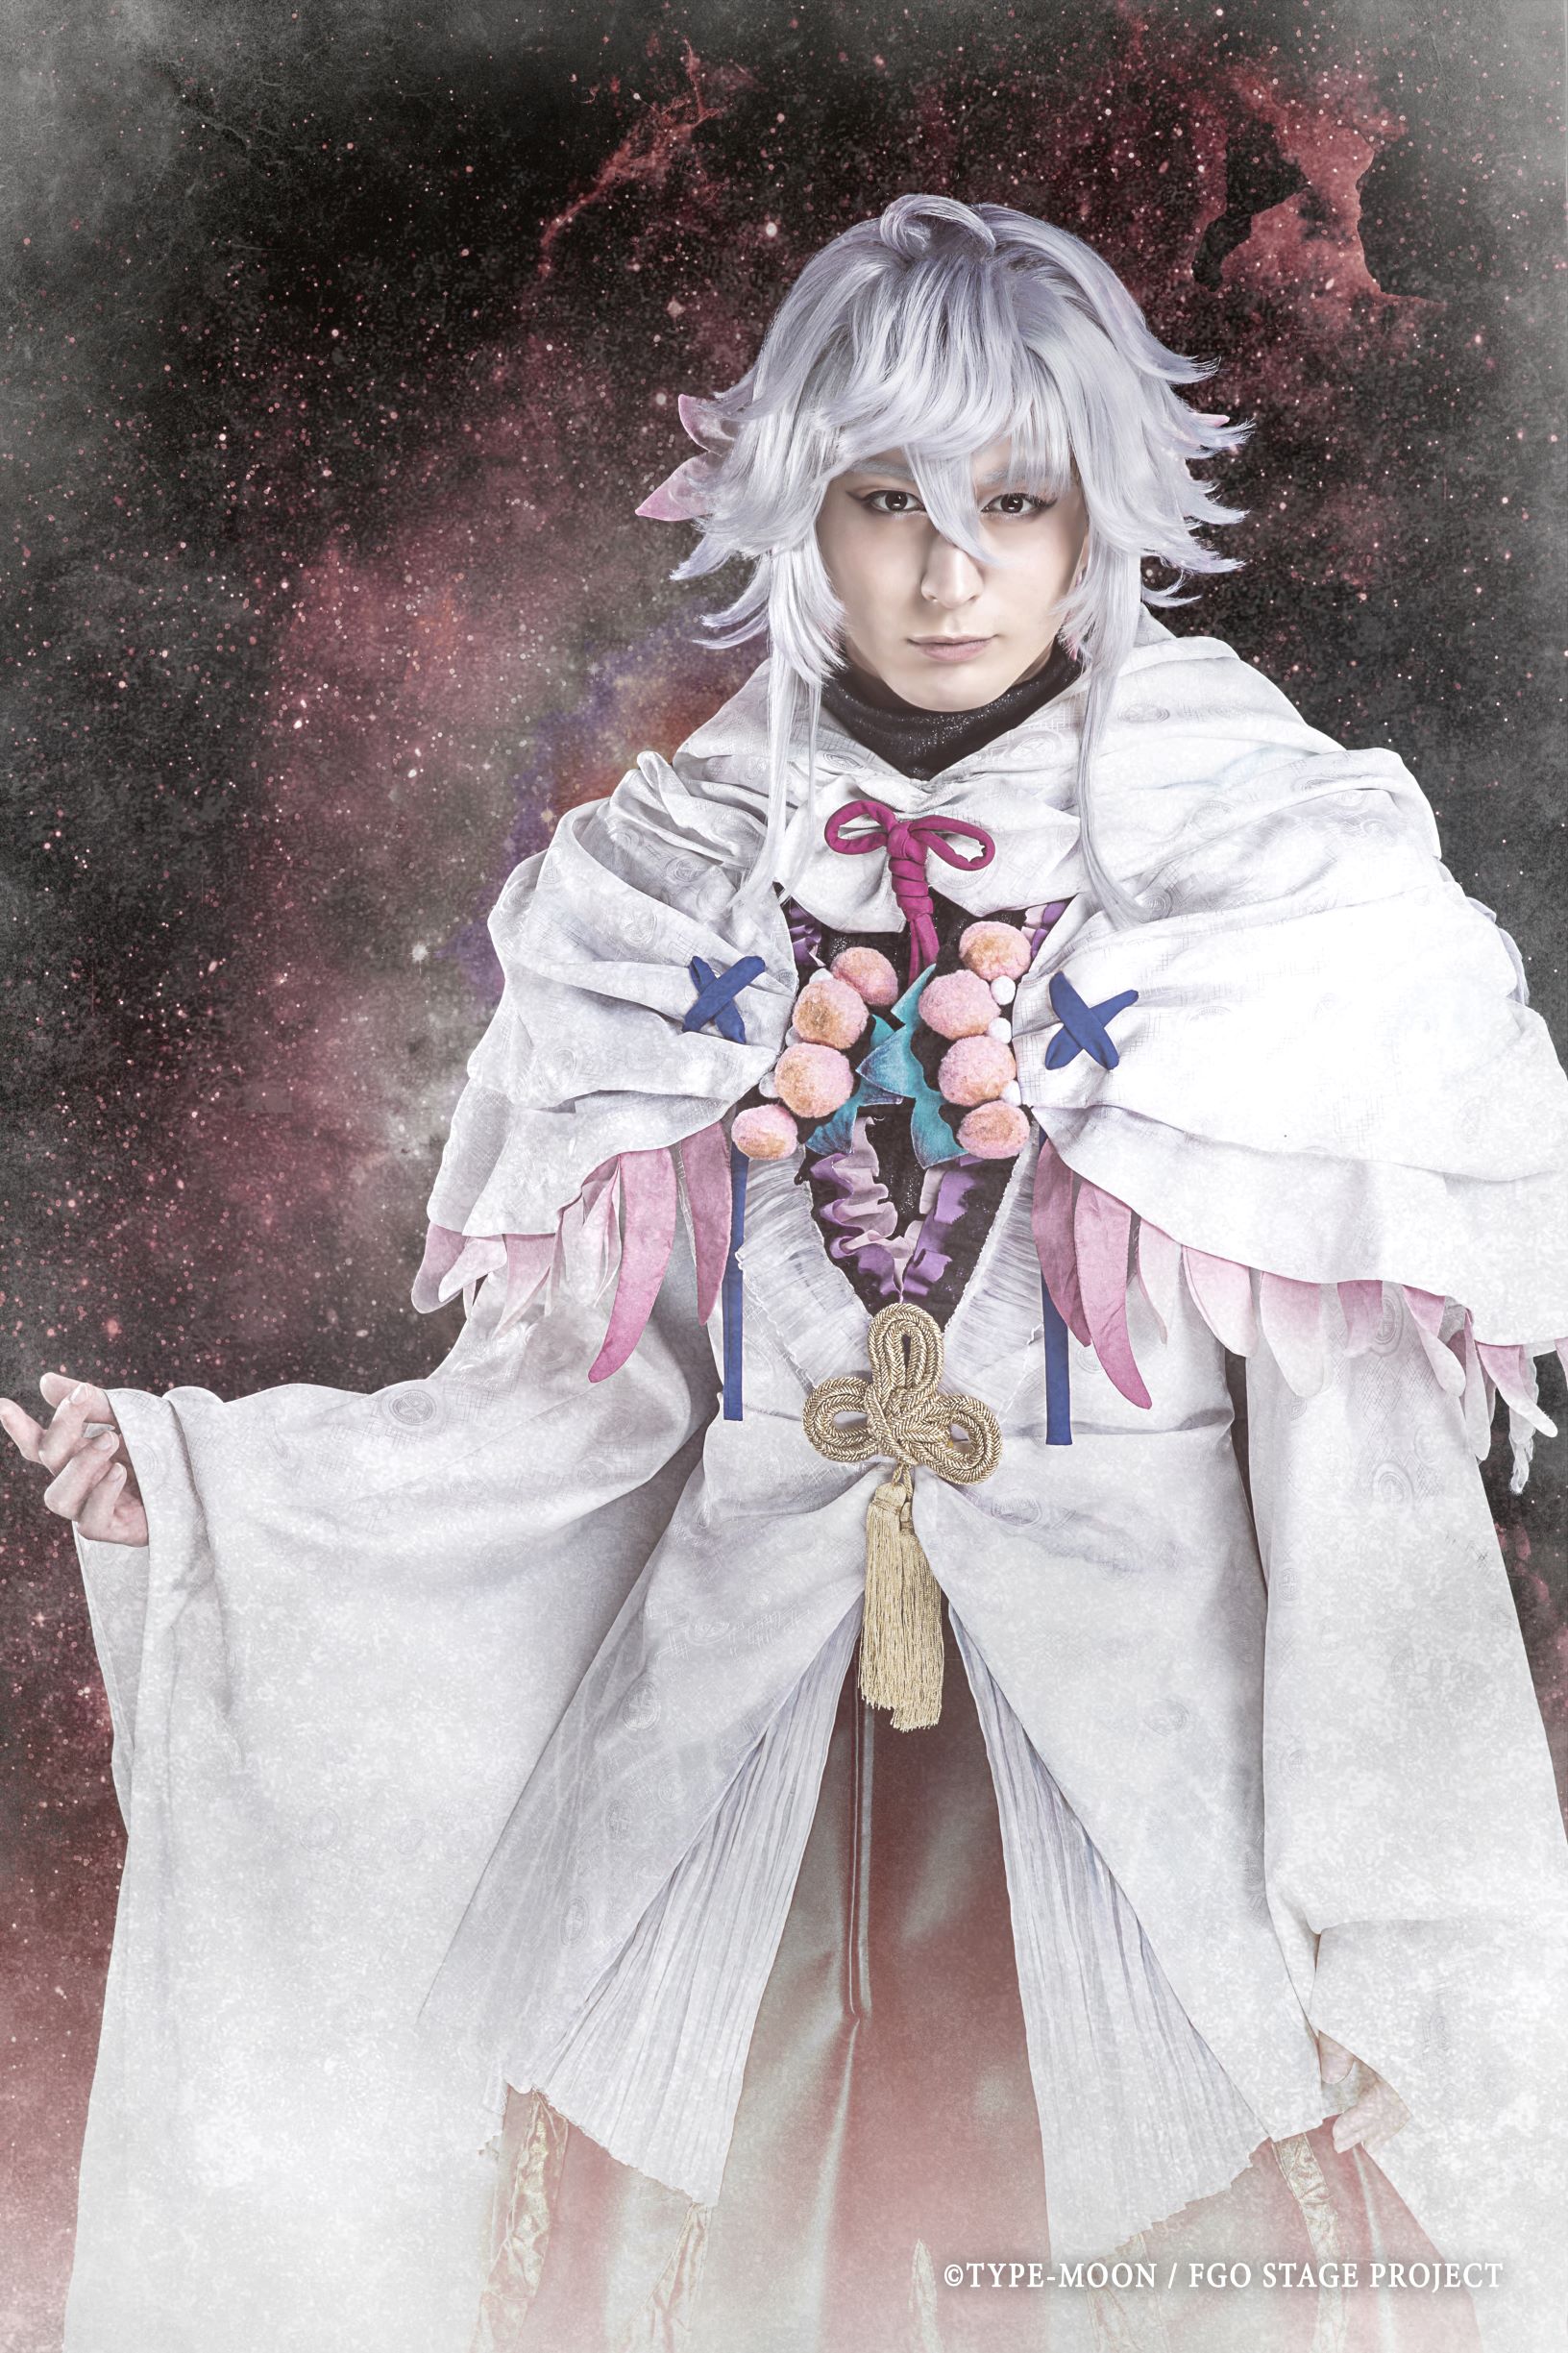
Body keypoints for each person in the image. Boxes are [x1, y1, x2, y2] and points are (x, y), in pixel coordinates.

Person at [7, 194, 1568, 2353]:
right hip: (725, 1789)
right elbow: (575, 1412)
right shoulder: (667, 880)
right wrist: (215, 1486)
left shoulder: (1267, 884)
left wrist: (1416, 1939)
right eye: (887, 501)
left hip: (1131, 1801)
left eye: (1016, 501)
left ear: (1100, 517)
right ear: (801, 518)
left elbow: (1364, 1497)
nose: (951, 573)